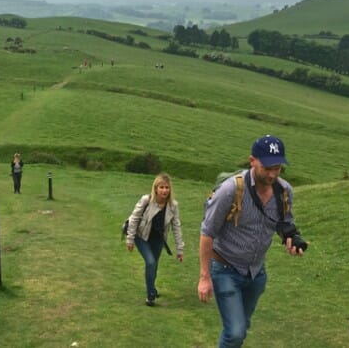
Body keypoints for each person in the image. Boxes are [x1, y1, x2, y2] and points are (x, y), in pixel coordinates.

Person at [197, 135, 308, 347]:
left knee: (241, 327)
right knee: (235, 332)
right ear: (252, 161)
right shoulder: (231, 190)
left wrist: (292, 240)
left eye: (277, 168)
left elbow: (285, 224)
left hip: (256, 273)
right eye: (267, 167)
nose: (272, 173)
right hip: (225, 268)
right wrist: (204, 277)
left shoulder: (284, 191)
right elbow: (207, 232)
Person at [126, 173, 184, 306]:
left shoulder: (173, 206)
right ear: (156, 188)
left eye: (167, 187)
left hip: (158, 239)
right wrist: (130, 239)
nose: (164, 190)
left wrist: (179, 249)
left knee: (154, 265)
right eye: (161, 187)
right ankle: (150, 295)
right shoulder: (146, 200)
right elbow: (134, 218)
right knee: (151, 262)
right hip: (141, 236)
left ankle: (152, 287)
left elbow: (176, 227)